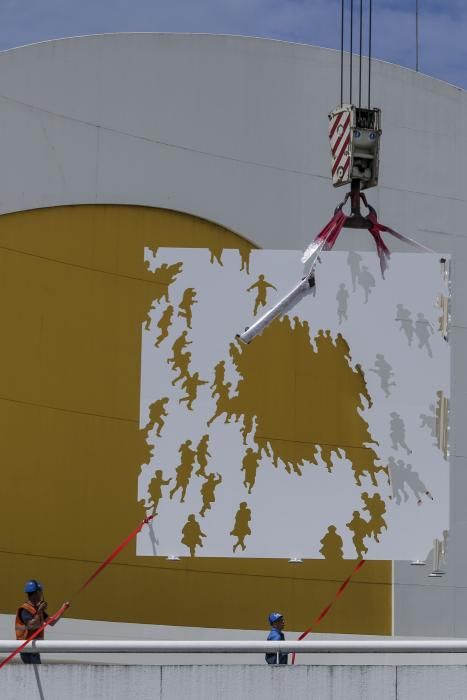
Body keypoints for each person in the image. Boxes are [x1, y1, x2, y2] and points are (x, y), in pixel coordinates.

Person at [15, 579, 69, 664]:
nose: (41, 594)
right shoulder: (25, 609)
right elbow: (31, 625)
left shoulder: (37, 609)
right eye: (40, 592)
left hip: (34, 648)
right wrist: (39, 612)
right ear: (36, 593)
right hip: (26, 649)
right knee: (33, 673)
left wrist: (63, 609)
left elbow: (52, 622)